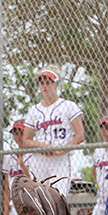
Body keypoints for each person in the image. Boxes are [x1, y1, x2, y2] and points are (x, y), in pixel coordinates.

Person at [21, 67, 86, 195]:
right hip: (39, 159)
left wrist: (62, 149)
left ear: (55, 85)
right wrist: (43, 146)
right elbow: (26, 140)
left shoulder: (68, 106)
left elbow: (80, 136)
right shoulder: (34, 110)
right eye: (41, 83)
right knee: (40, 198)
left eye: (48, 82)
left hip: (60, 159)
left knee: (59, 198)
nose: (45, 86)